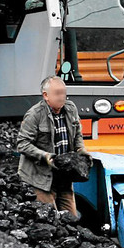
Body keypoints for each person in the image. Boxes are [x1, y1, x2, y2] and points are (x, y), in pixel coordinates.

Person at [17, 75, 87, 217]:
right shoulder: (34, 115)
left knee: (72, 218)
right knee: (49, 218)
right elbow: (22, 144)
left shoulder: (70, 108)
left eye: (64, 93)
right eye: (57, 93)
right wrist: (45, 156)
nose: (62, 97)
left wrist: (81, 150)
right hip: (40, 177)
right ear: (46, 95)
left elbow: (78, 133)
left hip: (64, 176)